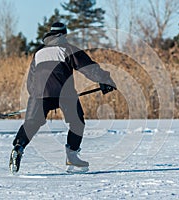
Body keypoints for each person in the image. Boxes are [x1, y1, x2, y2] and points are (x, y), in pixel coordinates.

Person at [9, 22, 116, 173]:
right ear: (64, 34)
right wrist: (106, 81)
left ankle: (18, 147)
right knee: (77, 122)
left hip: (39, 94)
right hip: (64, 93)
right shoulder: (67, 49)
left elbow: (31, 80)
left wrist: (35, 97)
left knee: (31, 123)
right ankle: (72, 158)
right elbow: (89, 68)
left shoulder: (39, 53)